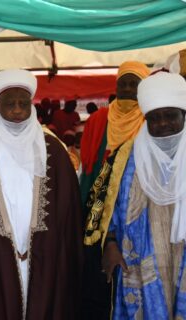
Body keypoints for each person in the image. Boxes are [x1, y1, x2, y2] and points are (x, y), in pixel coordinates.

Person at [0, 69, 82, 319]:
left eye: (23, 103)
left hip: (47, 259)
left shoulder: (53, 148)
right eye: (10, 103)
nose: (18, 110)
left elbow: (67, 210)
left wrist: (49, 244)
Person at [101, 72, 186, 319]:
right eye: (154, 118)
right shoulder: (123, 158)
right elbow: (103, 211)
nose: (162, 124)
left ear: (184, 115)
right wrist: (111, 244)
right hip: (140, 265)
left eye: (170, 116)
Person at [81, 61, 150, 320]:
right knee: (99, 274)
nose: (129, 89)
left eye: (135, 84)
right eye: (124, 83)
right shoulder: (100, 119)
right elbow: (89, 170)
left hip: (137, 204)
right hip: (100, 205)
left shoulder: (150, 118)